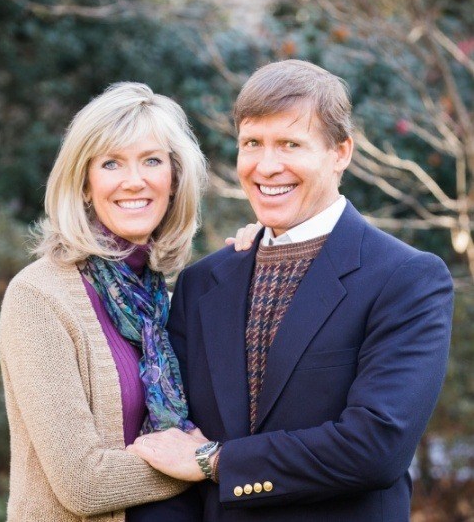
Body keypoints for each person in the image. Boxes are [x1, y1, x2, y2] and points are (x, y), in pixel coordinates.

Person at [126, 60, 455, 522]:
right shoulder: (203, 284)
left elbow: (375, 446)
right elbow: (170, 449)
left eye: (290, 144)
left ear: (341, 152)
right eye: (252, 143)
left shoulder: (405, 278)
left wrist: (215, 462)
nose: (266, 166)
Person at [0, 82, 214, 522]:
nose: (134, 181)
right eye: (112, 163)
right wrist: (208, 463)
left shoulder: (167, 300)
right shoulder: (39, 297)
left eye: (151, 161)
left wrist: (257, 254)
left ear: (174, 180)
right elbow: (83, 483)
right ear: (84, 184)